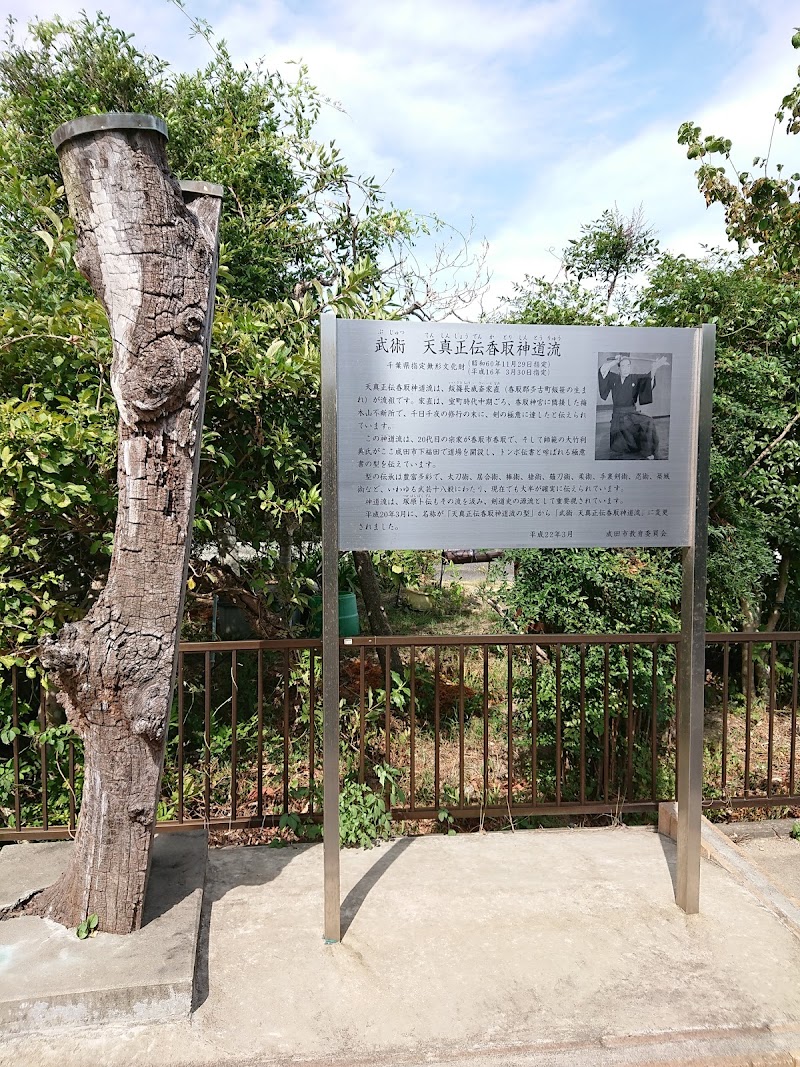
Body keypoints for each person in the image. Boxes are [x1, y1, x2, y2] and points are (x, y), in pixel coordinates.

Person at [598, 354, 669, 459]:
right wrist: (616, 360)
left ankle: (648, 451)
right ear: (618, 368)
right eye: (623, 366)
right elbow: (602, 371)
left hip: (632, 414)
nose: (626, 369)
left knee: (648, 421)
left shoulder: (634, 378)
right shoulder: (613, 378)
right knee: (619, 448)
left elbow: (648, 379)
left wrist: (654, 368)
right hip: (618, 417)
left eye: (628, 366)